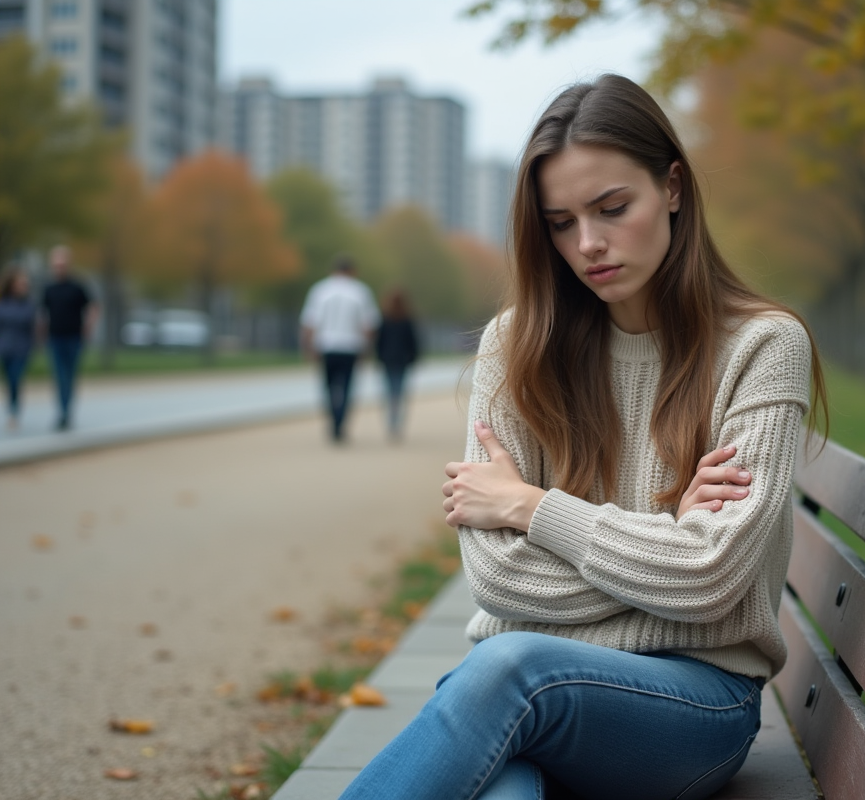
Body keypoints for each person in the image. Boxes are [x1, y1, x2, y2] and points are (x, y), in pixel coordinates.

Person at [340, 74, 828, 800]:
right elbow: (498, 579)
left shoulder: (761, 347)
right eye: (560, 222)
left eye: (611, 208)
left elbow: (711, 578)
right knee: (502, 781)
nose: (588, 244)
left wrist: (529, 508)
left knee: (507, 671)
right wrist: (666, 539)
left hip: (692, 704)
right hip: (531, 697)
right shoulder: (515, 346)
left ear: (672, 187)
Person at [299, 256, 380, 443]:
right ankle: (340, 422)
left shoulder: (320, 290)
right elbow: (369, 325)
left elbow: (310, 323)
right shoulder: (360, 291)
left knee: (328, 387)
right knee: (346, 387)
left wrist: (308, 347)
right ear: (352, 271)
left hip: (326, 345)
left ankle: (333, 419)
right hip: (350, 346)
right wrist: (366, 348)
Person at [40, 246, 96, 431]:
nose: (59, 268)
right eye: (56, 265)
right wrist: (41, 331)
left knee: (70, 375)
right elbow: (43, 312)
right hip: (55, 338)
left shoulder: (77, 286)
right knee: (59, 376)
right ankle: (63, 413)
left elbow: (92, 306)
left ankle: (66, 411)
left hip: (74, 337)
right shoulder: (49, 288)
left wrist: (88, 327)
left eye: (62, 264)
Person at [374, 288, 421, 440]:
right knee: (399, 393)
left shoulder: (384, 319)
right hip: (402, 361)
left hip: (388, 360)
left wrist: (379, 357)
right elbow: (413, 342)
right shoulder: (407, 320)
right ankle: (397, 424)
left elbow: (378, 342)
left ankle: (391, 423)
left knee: (390, 393)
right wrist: (413, 358)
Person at [0, 267, 38, 431]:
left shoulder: (28, 305)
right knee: (9, 381)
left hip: (22, 348)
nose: (23, 287)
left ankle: (14, 412)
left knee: (16, 378)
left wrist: (34, 346)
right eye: (20, 284)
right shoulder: (3, 303)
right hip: (5, 347)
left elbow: (33, 328)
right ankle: (12, 408)